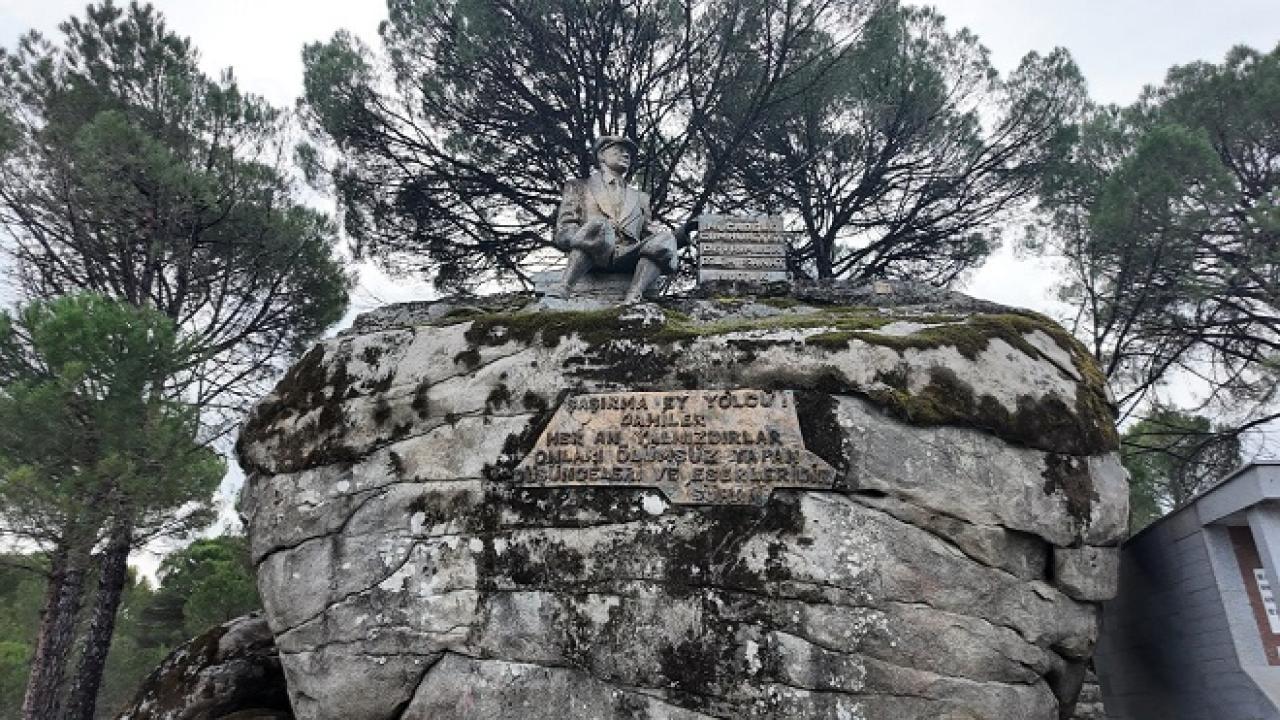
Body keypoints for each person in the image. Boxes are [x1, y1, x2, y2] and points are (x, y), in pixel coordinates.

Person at [553, 136, 679, 302]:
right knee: (599, 226)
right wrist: (585, 236)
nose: (626, 155)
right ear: (601, 156)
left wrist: (683, 234)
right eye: (619, 150)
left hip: (628, 256)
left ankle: (634, 295)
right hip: (592, 253)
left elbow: (651, 238)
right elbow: (564, 230)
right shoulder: (578, 187)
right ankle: (564, 288)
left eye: (628, 153)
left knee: (666, 237)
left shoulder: (641, 198)